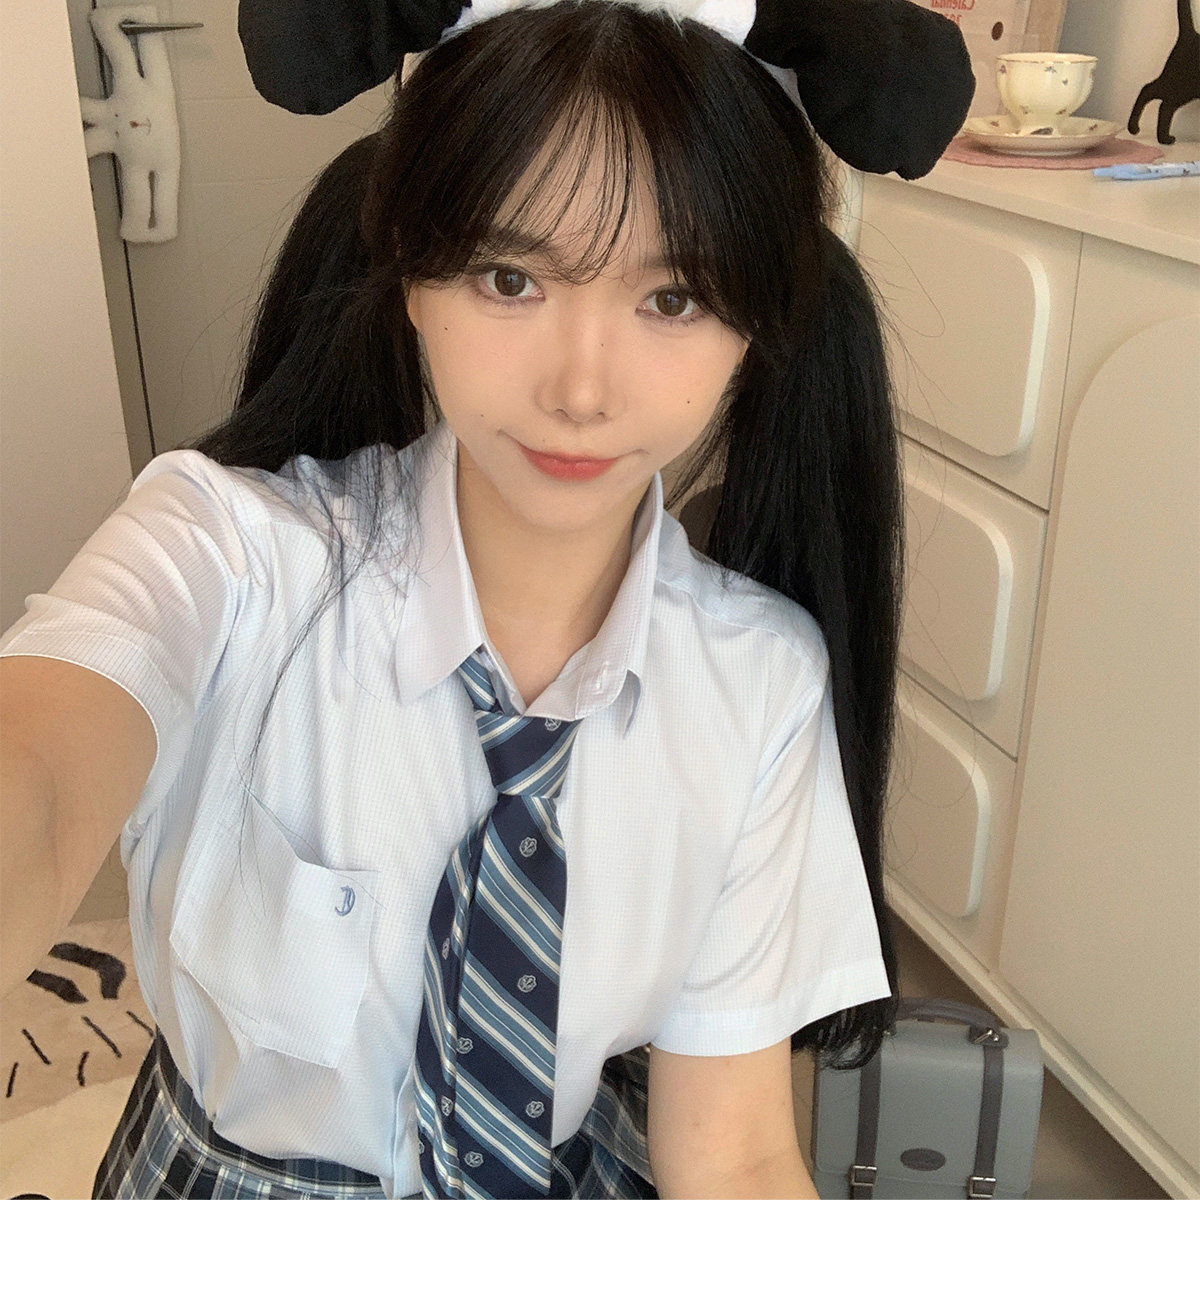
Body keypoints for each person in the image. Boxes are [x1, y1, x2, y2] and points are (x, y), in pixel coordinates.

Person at [0, 0, 972, 1198]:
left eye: (672, 299)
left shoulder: (761, 677)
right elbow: (37, 783)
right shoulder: (225, 552)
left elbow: (733, 1153)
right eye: (511, 278)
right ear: (410, 274)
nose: (582, 388)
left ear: (755, 327)